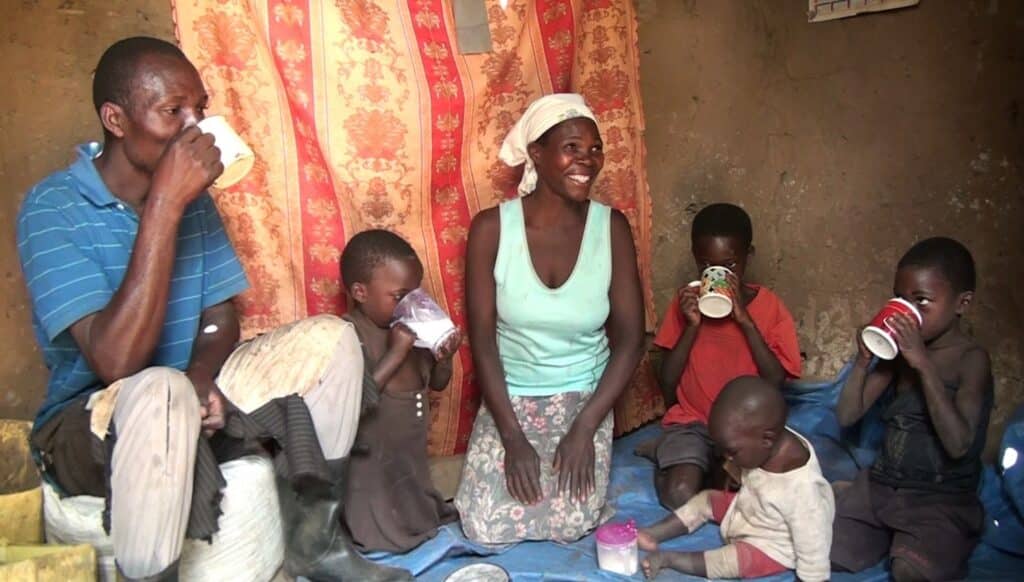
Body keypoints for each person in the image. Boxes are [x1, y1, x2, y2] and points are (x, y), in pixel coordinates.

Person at [16, 37, 410, 582]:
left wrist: (203, 376)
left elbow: (220, 313)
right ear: (116, 119)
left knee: (332, 338)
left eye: (200, 108)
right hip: (89, 423)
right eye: (172, 112)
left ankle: (316, 546)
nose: (195, 127)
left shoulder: (193, 200)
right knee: (161, 390)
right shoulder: (53, 207)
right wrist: (166, 204)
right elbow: (115, 359)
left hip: (187, 389)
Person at [454, 93, 645, 543]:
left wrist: (585, 427)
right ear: (536, 155)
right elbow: (482, 340)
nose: (588, 160)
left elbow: (632, 339)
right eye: (572, 147)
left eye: (595, 148)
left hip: (584, 396)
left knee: (567, 524)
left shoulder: (611, 228)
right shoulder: (491, 229)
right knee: (486, 525)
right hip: (511, 398)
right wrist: (511, 436)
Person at [831, 237, 992, 582]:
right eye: (900, 298)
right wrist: (863, 362)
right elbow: (846, 416)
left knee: (910, 571)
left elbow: (959, 444)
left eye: (921, 301)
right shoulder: (898, 356)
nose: (909, 311)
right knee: (826, 552)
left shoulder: (970, 360)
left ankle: (926, 542)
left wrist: (924, 365)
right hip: (881, 487)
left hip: (938, 498)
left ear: (962, 303)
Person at [637, 203, 802, 509]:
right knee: (680, 496)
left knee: (746, 496)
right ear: (695, 260)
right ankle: (667, 453)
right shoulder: (685, 305)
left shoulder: (770, 308)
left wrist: (745, 320)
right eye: (707, 267)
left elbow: (776, 380)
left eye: (730, 266)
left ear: (748, 256)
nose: (719, 275)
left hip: (745, 428)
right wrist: (691, 326)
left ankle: (705, 464)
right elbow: (667, 380)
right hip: (692, 422)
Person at [638, 376, 834, 581]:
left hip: (770, 546)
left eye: (732, 451)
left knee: (733, 560)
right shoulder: (764, 442)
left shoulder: (803, 490)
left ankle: (670, 559)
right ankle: (653, 533)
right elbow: (751, 473)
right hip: (750, 507)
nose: (727, 457)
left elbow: (814, 552)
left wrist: (812, 577)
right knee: (707, 499)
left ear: (767, 439)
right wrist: (734, 472)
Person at [338, 229, 460, 552]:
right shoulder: (349, 336)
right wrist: (395, 353)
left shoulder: (410, 328)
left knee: (415, 499)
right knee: (381, 512)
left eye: (415, 293)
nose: (411, 303)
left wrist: (444, 358)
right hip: (371, 466)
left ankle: (416, 519)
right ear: (360, 292)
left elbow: (436, 383)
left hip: (409, 457)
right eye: (399, 295)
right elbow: (352, 404)